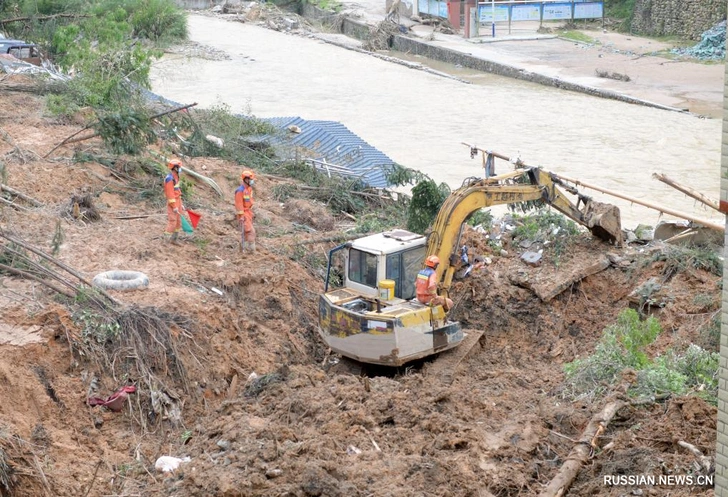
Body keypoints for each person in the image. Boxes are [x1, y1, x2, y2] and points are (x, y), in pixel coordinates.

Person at [163, 159, 185, 245]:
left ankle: (174, 240)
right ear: (175, 168)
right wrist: (174, 206)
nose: (180, 168)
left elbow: (177, 191)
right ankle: (165, 241)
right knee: (173, 221)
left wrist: (180, 204)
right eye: (179, 167)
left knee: (178, 221)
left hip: (178, 200)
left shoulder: (176, 177)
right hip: (173, 202)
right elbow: (170, 194)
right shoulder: (169, 179)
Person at [235, 169, 256, 252]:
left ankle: (242, 250)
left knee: (246, 233)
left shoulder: (249, 189)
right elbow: (239, 204)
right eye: (251, 180)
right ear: (246, 179)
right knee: (250, 232)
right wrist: (242, 216)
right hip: (244, 214)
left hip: (249, 212)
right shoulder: (240, 191)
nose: (252, 181)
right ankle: (251, 251)